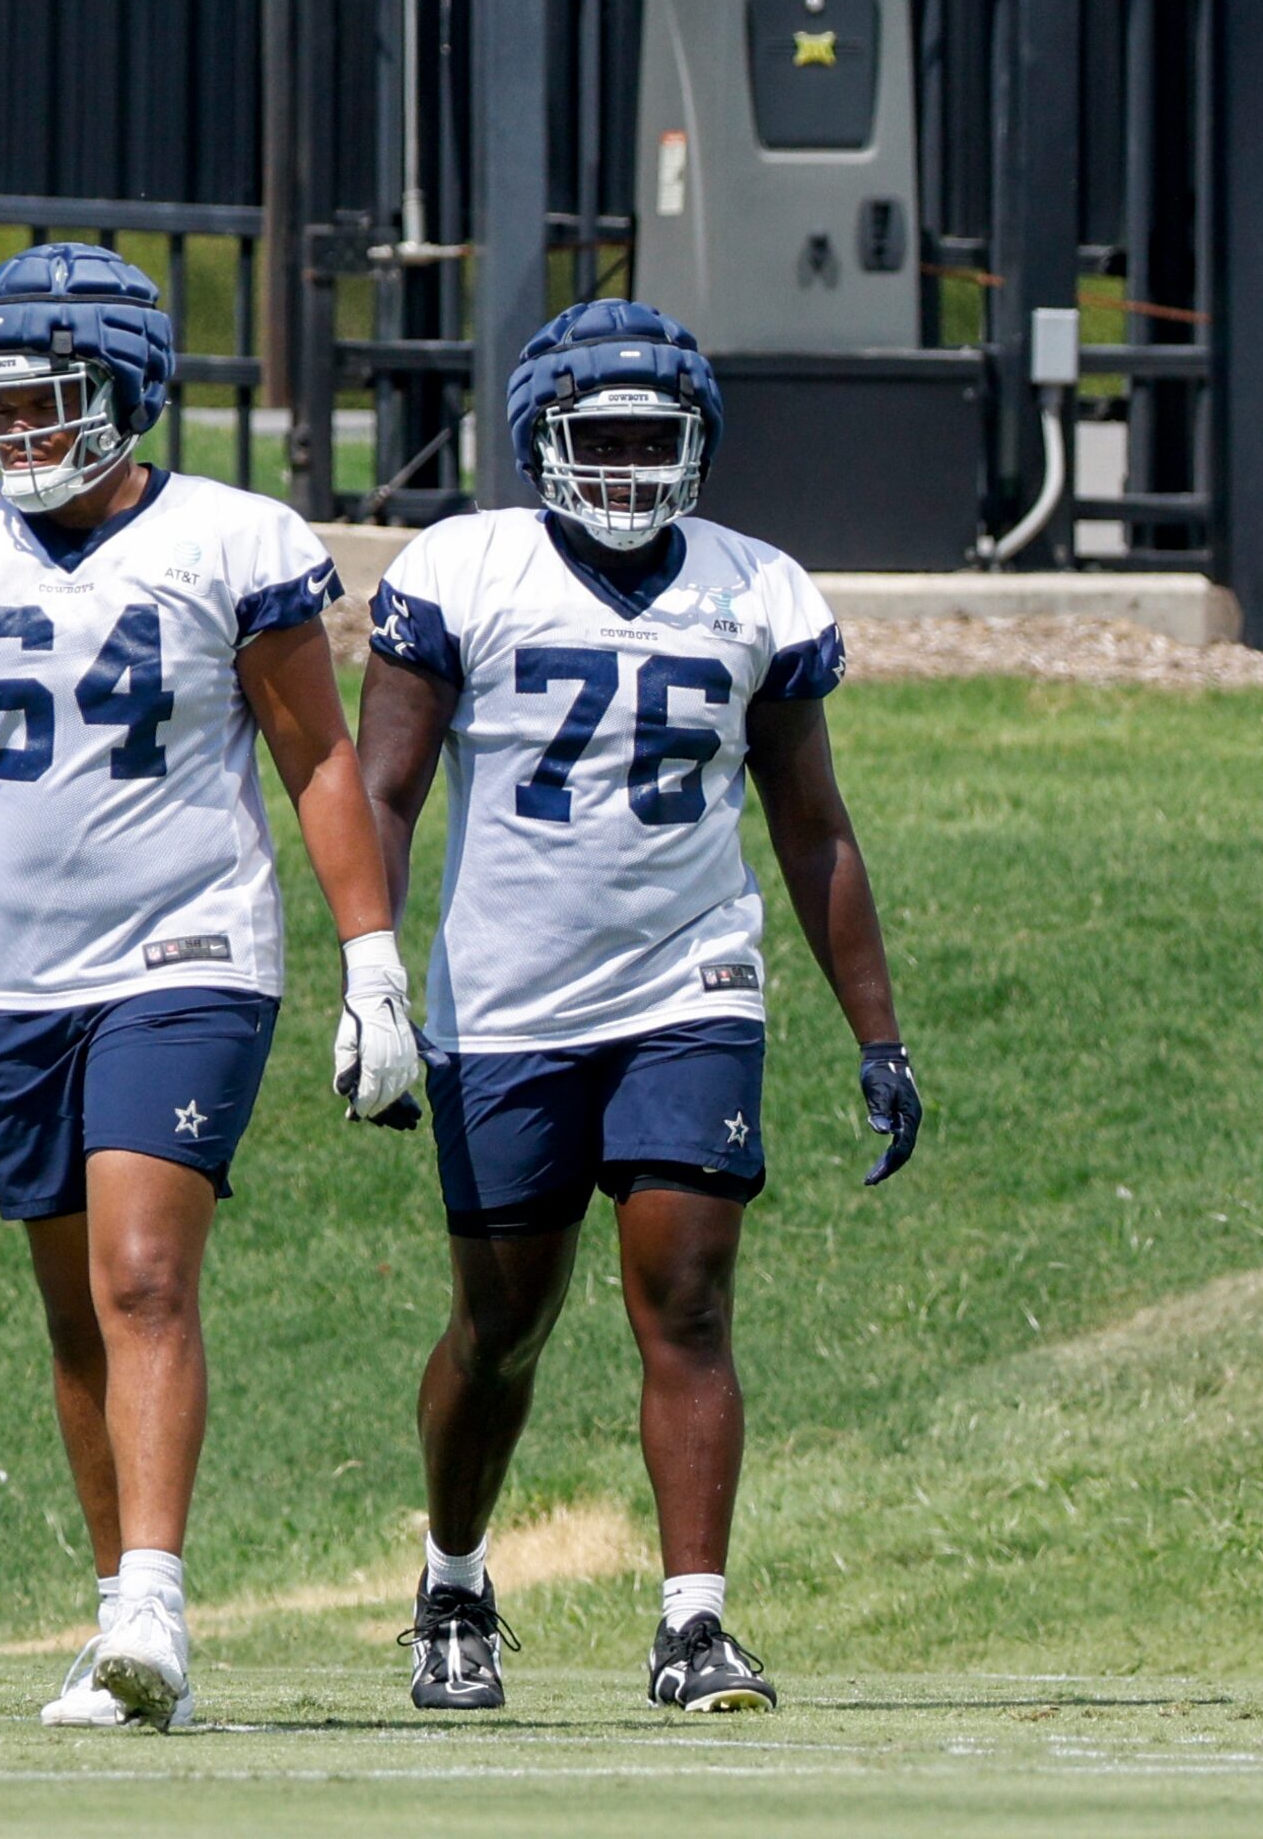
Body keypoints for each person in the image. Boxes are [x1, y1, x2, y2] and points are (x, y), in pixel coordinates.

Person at [0, 244, 422, 1731]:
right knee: (74, 1313)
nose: (23, 437)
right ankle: (117, 1609)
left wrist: (371, 960)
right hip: (19, 976)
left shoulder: (233, 540)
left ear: (128, 394)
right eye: (1, 408)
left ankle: (155, 1606)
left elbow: (317, 755)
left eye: (52, 404)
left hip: (189, 953)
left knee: (142, 1272)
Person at [356, 299, 922, 1715]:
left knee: (689, 1298)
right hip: (502, 1001)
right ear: (539, 440)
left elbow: (814, 829)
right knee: (503, 1324)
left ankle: (693, 1620)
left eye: (647, 440)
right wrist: (368, 972)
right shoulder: (462, 570)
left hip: (691, 983)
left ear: (697, 448)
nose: (620, 466)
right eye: (594, 438)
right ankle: (453, 1576)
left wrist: (877, 1032)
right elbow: (381, 789)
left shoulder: (757, 588)